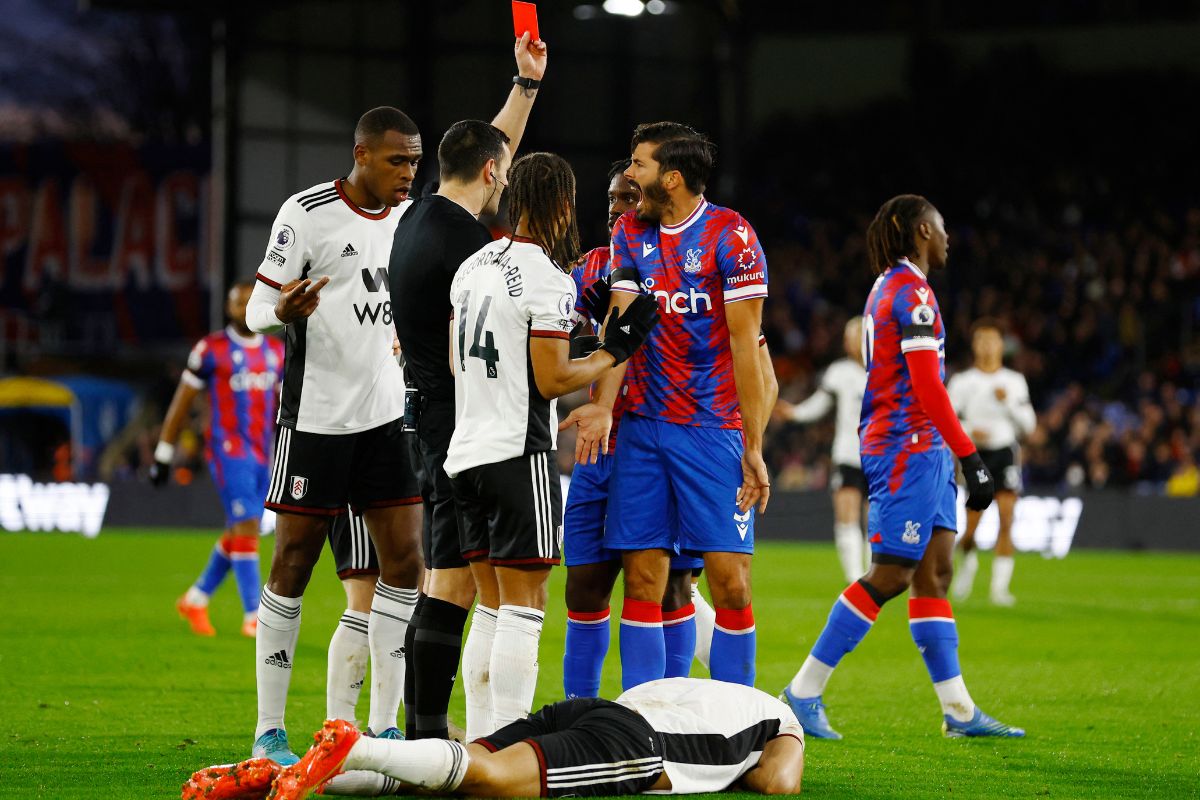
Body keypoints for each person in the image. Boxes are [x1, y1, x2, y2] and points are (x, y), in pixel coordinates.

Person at [779, 194, 1024, 740]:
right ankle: (802, 692)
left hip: (925, 447)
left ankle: (959, 713)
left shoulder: (895, 285)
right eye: (939, 227)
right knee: (891, 573)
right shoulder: (910, 291)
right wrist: (970, 455)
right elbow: (926, 383)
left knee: (936, 573)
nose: (946, 237)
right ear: (919, 231)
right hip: (906, 448)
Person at [445, 151, 659, 738]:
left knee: (488, 605)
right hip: (517, 453)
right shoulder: (547, 276)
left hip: (465, 451)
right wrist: (614, 349)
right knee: (524, 605)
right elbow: (552, 379)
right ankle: (511, 743)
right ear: (562, 204)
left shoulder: (472, 266)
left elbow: (454, 360)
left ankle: (482, 740)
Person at [243, 105, 426, 762]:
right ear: (362, 154)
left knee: (406, 564)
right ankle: (269, 731)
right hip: (315, 421)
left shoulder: (412, 218)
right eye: (397, 160)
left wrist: (525, 86)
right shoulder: (307, 211)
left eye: (415, 160)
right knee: (291, 563)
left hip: (386, 421)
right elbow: (254, 306)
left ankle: (381, 727)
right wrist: (281, 312)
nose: (409, 172)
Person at [561, 122, 771, 690]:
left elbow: (745, 350)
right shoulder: (632, 232)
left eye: (639, 165)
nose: (629, 174)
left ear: (672, 178)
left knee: (730, 583)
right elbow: (623, 322)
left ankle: (736, 721)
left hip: (711, 429)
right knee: (644, 584)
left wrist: (752, 445)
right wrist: (605, 403)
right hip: (642, 430)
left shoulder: (733, 236)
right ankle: (643, 722)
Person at [388, 32, 547, 743]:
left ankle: (430, 727)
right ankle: (430, 733)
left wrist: (525, 86)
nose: (508, 180)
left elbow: (493, 151)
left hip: (424, 413)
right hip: (460, 423)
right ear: (490, 171)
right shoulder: (473, 253)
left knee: (449, 577)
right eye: (503, 172)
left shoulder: (421, 215)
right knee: (455, 582)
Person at [181, 677, 805, 799]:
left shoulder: (718, 690)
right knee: (493, 784)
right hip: (634, 743)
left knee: (464, 766)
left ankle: (299, 774)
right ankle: (358, 748)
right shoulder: (780, 718)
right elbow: (778, 784)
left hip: (592, 707)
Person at [152, 282, 283, 639]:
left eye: (247, 303)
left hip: (263, 451)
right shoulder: (211, 350)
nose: (241, 309)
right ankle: (253, 615)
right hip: (227, 451)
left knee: (245, 529)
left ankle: (196, 598)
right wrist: (164, 452)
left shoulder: (276, 352)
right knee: (245, 526)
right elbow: (182, 400)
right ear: (228, 309)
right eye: (236, 303)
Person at [947, 319, 1037, 606]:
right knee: (972, 526)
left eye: (992, 340)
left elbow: (1029, 426)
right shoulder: (962, 382)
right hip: (974, 455)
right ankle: (968, 563)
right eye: (981, 340)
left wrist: (1009, 402)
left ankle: (1000, 589)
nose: (986, 345)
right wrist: (971, 429)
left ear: (1001, 345)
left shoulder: (1013, 382)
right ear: (974, 345)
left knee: (1007, 519)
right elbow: (945, 420)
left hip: (1004, 454)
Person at [773, 316, 869, 583]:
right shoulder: (839, 372)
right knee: (847, 512)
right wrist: (794, 413)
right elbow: (819, 405)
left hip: (879, 454)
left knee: (875, 518)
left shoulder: (887, 372)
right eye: (850, 338)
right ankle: (855, 579)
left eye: (859, 336)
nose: (853, 342)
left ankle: (873, 576)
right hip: (849, 452)